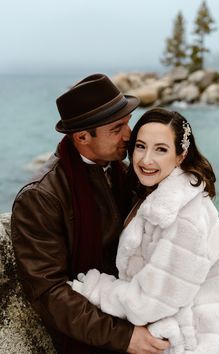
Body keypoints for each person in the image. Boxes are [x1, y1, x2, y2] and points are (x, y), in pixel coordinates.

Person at [11, 74, 170, 354]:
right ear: (82, 137)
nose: (129, 135)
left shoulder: (123, 172)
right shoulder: (39, 198)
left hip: (137, 311)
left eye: (128, 122)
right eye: (117, 127)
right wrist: (124, 337)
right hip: (94, 336)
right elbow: (49, 293)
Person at [69, 107, 219, 354]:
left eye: (161, 149)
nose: (146, 160)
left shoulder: (182, 219)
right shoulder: (158, 196)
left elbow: (148, 303)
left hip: (189, 344)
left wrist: (96, 288)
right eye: (140, 146)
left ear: (181, 155)